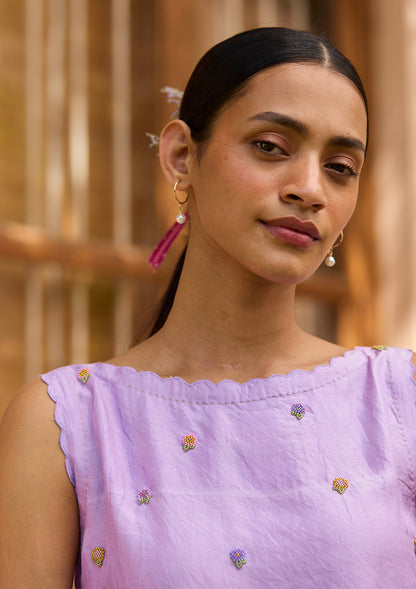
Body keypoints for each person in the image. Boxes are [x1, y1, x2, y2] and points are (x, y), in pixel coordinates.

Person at [0, 27, 415, 589]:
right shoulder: (66, 424)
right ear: (180, 156)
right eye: (270, 146)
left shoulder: (397, 399)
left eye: (340, 166)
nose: (309, 188)